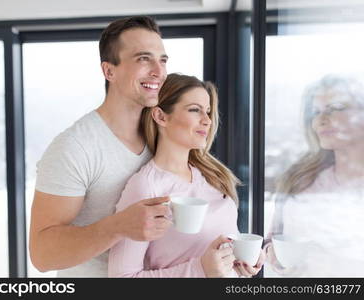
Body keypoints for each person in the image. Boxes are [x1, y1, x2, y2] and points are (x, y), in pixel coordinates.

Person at [29, 16, 173, 277]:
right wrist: (117, 226)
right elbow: (42, 254)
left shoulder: (163, 135)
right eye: (143, 58)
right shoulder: (75, 147)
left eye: (162, 60)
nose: (158, 71)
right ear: (109, 71)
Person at [108, 73, 266, 277]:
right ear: (161, 116)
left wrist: (240, 260)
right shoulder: (146, 187)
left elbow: (219, 254)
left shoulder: (213, 177)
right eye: (195, 110)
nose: (207, 121)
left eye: (208, 112)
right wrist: (200, 269)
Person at [265, 75, 364, 277]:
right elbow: (272, 240)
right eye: (315, 112)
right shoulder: (299, 179)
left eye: (336, 108)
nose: (321, 119)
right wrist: (276, 256)